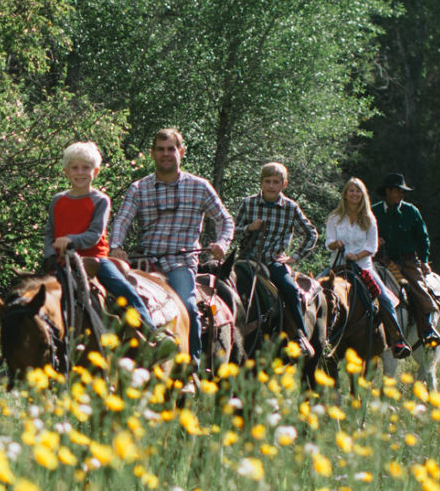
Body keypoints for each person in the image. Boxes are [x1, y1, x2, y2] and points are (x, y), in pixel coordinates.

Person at [108, 127, 233, 355]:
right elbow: (122, 221)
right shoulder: (138, 188)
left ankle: (190, 366)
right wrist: (116, 247)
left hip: (181, 263)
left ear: (181, 152)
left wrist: (222, 243)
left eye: (171, 149)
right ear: (152, 153)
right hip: (143, 263)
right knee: (110, 305)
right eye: (160, 149)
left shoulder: (200, 186)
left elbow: (225, 220)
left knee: (186, 306)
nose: (165, 154)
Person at [44, 141, 145, 320]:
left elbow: (94, 234)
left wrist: (70, 240)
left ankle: (150, 328)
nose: (80, 172)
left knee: (124, 289)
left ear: (96, 171)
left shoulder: (101, 200)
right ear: (66, 172)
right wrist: (50, 255)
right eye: (75, 168)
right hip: (61, 262)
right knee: (33, 292)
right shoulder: (57, 200)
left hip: (95, 260)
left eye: (86, 167)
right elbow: (50, 233)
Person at [230, 161, 315, 358]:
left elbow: (311, 233)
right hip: (247, 259)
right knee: (223, 283)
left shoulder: (291, 208)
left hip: (273, 262)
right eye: (267, 181)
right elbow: (233, 232)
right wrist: (249, 228)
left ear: (284, 184)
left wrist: (295, 256)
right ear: (261, 182)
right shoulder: (249, 203)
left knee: (290, 289)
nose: (271, 186)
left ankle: (300, 336)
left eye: (276, 182)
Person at [325, 177, 410, 359]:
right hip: (338, 265)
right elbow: (328, 242)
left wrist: (356, 255)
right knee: (316, 290)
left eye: (358, 191)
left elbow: (372, 247)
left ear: (363, 195)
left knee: (385, 298)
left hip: (363, 267)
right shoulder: (334, 217)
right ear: (345, 194)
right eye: (351, 190)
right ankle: (311, 340)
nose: (354, 194)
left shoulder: (369, 218)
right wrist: (335, 244)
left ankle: (397, 340)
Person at [373, 172, 440, 348]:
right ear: (387, 191)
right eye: (397, 191)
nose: (401, 194)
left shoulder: (411, 211)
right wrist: (374, 242)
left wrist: (424, 260)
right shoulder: (373, 212)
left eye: (402, 192)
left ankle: (427, 328)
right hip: (383, 260)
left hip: (408, 260)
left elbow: (423, 237)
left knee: (418, 287)